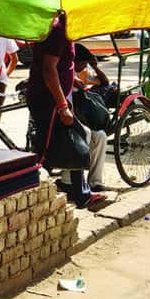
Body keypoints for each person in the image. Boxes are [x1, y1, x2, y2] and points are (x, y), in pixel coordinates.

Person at [27, 15, 107, 208]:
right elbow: (49, 69)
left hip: (54, 100)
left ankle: (79, 193)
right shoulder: (58, 33)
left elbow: (60, 66)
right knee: (46, 150)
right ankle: (34, 189)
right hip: (49, 101)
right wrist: (63, 105)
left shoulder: (64, 34)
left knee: (78, 136)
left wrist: (72, 81)